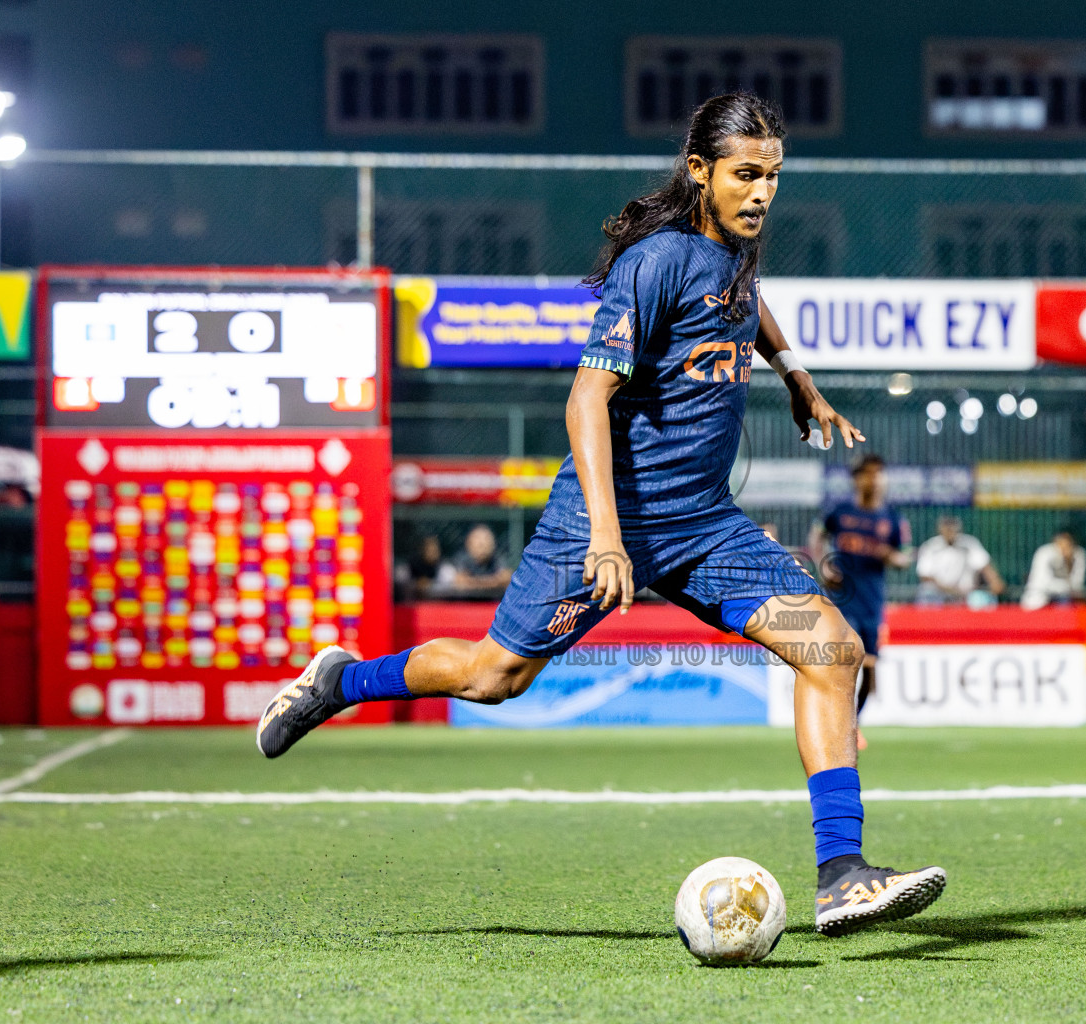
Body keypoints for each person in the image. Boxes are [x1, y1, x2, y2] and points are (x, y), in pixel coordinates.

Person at [256, 93, 944, 936]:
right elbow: (587, 398)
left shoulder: (738, 248)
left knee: (832, 649)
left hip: (701, 523)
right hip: (603, 519)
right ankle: (341, 681)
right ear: (700, 172)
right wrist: (610, 539)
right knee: (492, 677)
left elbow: (747, 302)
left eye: (772, 175)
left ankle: (841, 877)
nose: (763, 192)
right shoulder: (655, 262)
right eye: (745, 175)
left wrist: (798, 376)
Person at [811, 454, 912, 748]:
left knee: (869, 668)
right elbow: (817, 535)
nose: (875, 480)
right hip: (841, 599)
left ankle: (852, 723)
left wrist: (892, 557)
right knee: (845, 660)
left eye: (879, 474)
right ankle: (835, 721)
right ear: (857, 479)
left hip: (872, 602)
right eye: (868, 474)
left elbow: (906, 556)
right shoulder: (840, 512)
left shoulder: (892, 518)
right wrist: (824, 564)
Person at [915, 515, 1004, 606]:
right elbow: (925, 576)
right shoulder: (931, 546)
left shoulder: (969, 544)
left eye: (952, 527)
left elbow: (985, 566)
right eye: (946, 527)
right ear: (940, 529)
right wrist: (950, 590)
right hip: (938, 594)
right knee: (928, 594)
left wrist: (995, 581)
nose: (949, 531)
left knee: (982, 599)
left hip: (965, 594)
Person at [1021, 528, 1086, 610]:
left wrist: (1068, 563)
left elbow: (1077, 583)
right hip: (1040, 599)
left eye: (1068, 544)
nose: (1063, 548)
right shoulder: (1044, 553)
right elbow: (1043, 582)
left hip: (1066, 599)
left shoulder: (1078, 554)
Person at [442, 524, 513, 598]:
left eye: (486, 541)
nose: (483, 546)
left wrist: (474, 582)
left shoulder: (497, 559)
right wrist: (492, 582)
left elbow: (506, 578)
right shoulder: (462, 559)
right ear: (469, 544)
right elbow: (460, 582)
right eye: (479, 544)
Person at [398, 535, 447, 601]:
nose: (433, 553)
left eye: (435, 550)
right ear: (423, 550)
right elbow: (401, 582)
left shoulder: (443, 567)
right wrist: (416, 584)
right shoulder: (411, 565)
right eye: (429, 550)